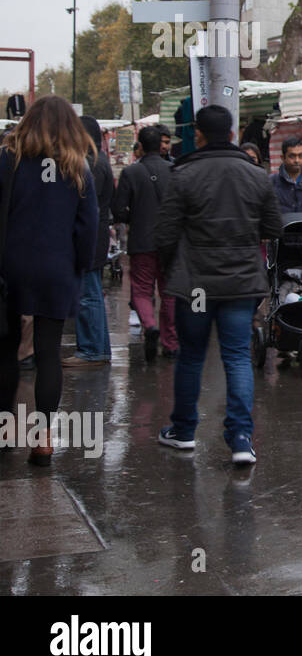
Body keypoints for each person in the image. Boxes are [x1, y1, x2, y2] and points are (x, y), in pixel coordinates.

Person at [155, 105, 283, 465]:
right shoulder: (256, 175)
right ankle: (241, 437)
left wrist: (171, 270)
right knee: (238, 356)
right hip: (241, 282)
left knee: (191, 356)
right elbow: (274, 228)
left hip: (195, 282)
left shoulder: (183, 173)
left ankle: (183, 431)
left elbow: (164, 233)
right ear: (231, 133)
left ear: (198, 133)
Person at [0, 96, 98, 465]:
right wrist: (82, 266)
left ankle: (5, 431)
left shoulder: (8, 161)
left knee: (7, 351)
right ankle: (42, 440)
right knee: (48, 353)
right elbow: (87, 228)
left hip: (11, 267)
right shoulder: (78, 168)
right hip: (57, 270)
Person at [112, 126, 177, 361]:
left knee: (141, 289)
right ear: (160, 145)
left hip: (142, 241)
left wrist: (134, 217)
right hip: (170, 242)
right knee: (169, 292)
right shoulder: (174, 170)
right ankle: (170, 342)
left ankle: (149, 325)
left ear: (139, 146)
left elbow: (119, 210)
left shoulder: (131, 173)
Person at [64, 116, 116, 367]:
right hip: (97, 232)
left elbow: (84, 204)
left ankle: (92, 350)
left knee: (88, 294)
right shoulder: (99, 161)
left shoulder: (91, 164)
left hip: (92, 234)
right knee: (91, 290)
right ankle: (98, 347)